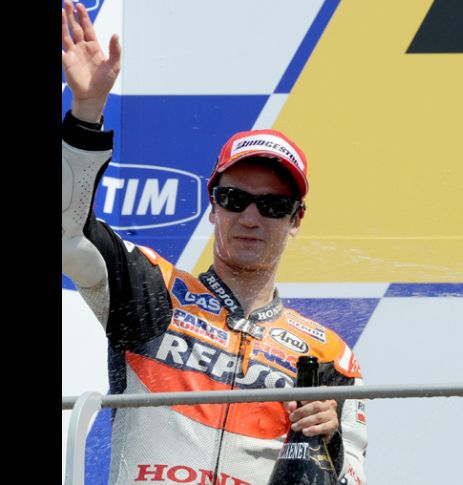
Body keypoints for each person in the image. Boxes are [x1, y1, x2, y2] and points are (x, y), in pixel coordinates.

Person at [61, 1, 366, 484]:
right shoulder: (151, 290)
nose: (250, 216)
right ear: (212, 204)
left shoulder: (328, 355)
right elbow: (67, 232)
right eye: (235, 197)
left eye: (272, 206)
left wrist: (328, 442)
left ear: (296, 219)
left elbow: (347, 479)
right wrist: (86, 112)